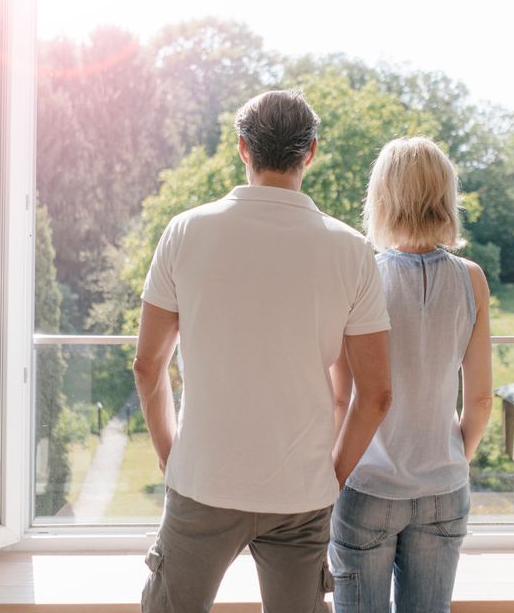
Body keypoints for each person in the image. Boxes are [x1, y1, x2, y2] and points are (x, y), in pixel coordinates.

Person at [134, 89, 394, 613]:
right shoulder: (350, 250)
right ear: (311, 152)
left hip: (202, 481)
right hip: (300, 492)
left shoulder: (185, 231)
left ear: (242, 149)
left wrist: (171, 457)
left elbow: (147, 366)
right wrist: (333, 475)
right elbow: (377, 393)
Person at [329, 137, 494, 613]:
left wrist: (331, 478)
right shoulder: (472, 279)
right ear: (446, 199)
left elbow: (343, 401)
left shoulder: (363, 276)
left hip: (368, 487)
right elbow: (480, 400)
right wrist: (449, 460)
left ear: (381, 199)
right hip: (444, 489)